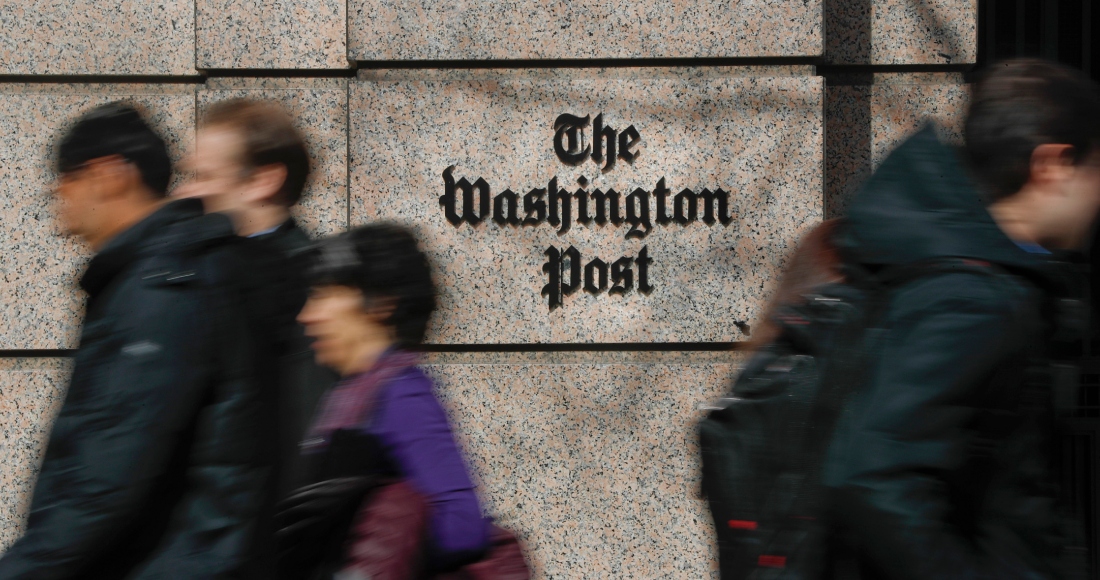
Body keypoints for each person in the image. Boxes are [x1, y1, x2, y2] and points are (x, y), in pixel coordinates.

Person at [822, 59, 1100, 578]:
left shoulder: (991, 276)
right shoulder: (973, 297)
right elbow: (874, 474)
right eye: (1095, 170)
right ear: (1054, 165)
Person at [0, 103, 264, 578]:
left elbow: (109, 469)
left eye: (64, 184)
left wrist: (26, 569)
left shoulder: (162, 288)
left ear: (108, 175)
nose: (58, 209)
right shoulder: (156, 274)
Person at [284, 223, 490, 577]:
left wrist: (376, 553)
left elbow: (463, 523)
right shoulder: (350, 392)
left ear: (380, 304)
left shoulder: (401, 392)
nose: (307, 315)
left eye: (324, 295)